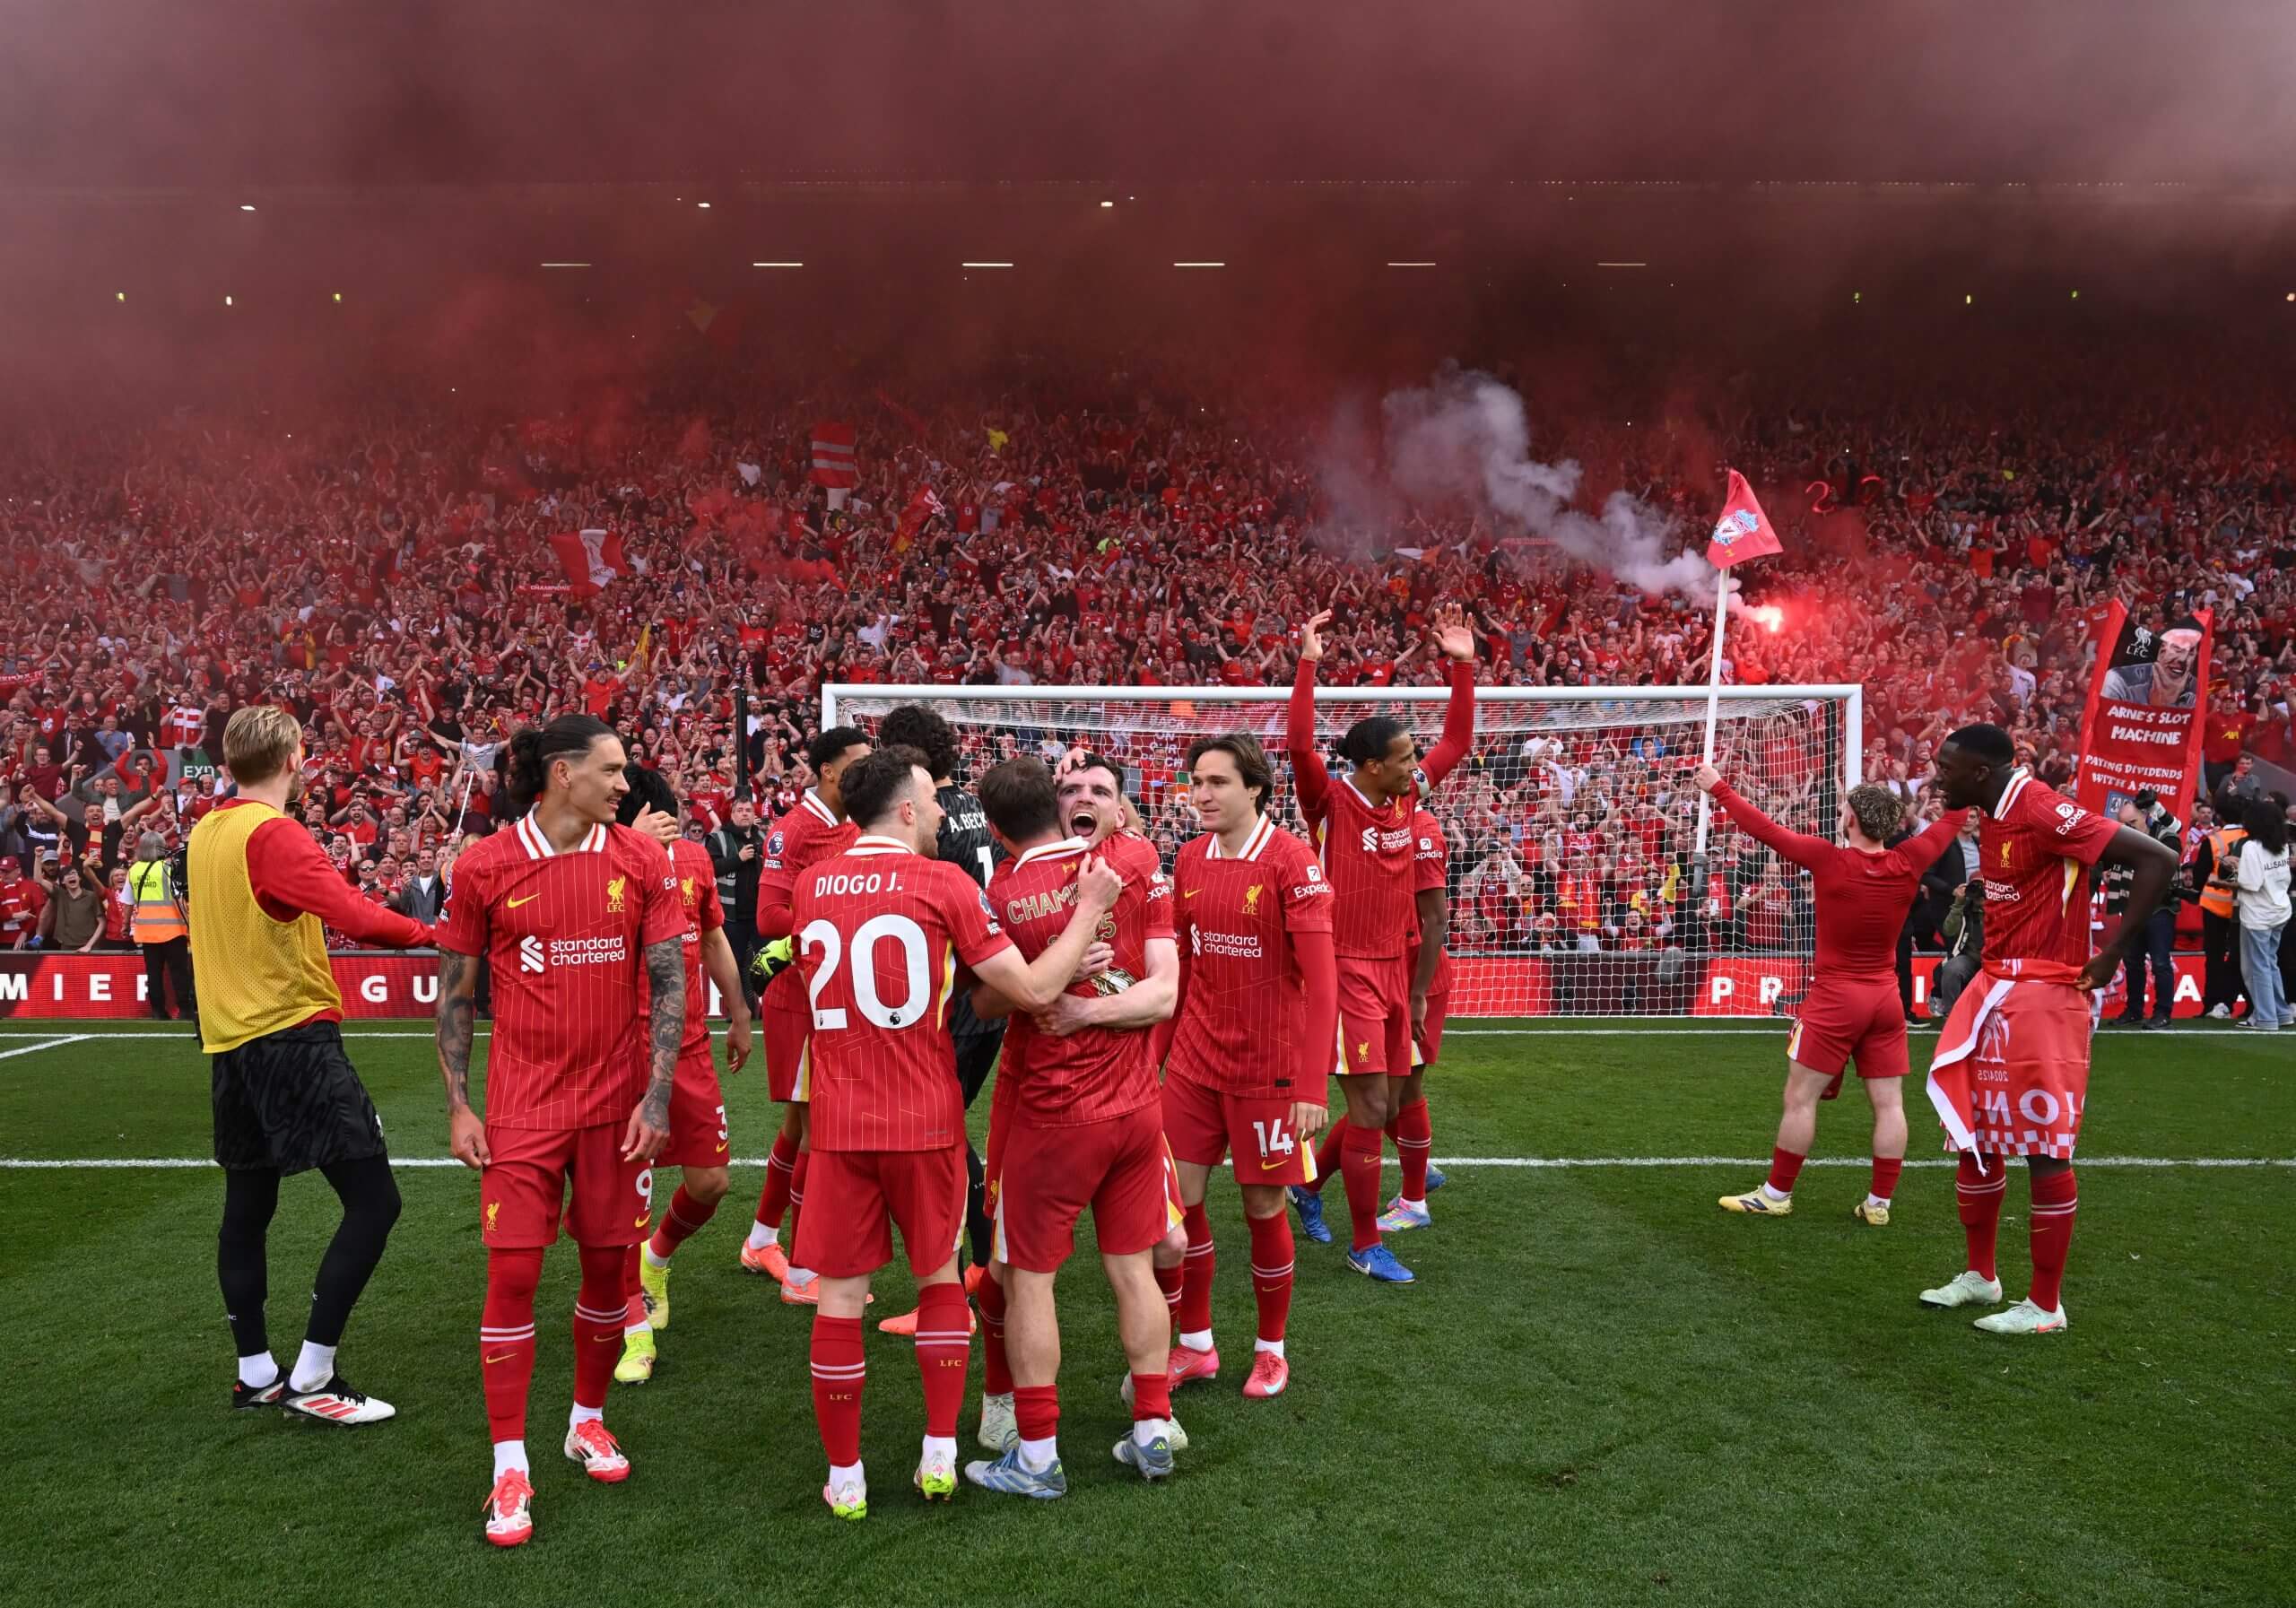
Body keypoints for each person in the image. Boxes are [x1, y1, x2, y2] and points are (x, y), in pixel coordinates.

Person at [788, 745, 1118, 1519]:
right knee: (940, 1280)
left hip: (838, 1120)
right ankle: (939, 1451)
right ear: (906, 808)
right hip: (925, 1118)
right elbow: (1030, 988)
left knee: (840, 1299)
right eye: (933, 800)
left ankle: (845, 1475)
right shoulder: (944, 883)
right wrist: (1088, 912)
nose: (943, 812)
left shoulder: (810, 884)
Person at [433, 713, 687, 1548]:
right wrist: (459, 1103)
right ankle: (510, 1462)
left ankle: (586, 1420)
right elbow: (456, 995)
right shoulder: (484, 866)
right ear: (561, 773)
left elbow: (669, 983)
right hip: (522, 1109)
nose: (626, 783)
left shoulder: (643, 859)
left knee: (610, 1273)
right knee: (512, 1276)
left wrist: (657, 1099)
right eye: (611, 769)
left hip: (617, 1110)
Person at [189, 706, 434, 1428]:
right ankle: (313, 1375)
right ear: (295, 759)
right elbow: (354, 915)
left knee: (247, 1209)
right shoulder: (273, 833)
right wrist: (435, 930)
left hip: (230, 1046)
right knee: (375, 1201)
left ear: (230, 762)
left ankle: (256, 1374)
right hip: (290, 1037)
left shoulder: (205, 831)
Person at [963, 753, 1182, 1496]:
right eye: (1071, 788)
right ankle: (1152, 1425)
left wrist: (1058, 992)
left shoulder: (1002, 891)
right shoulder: (1134, 863)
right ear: (1054, 806)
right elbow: (1159, 990)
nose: (1084, 797)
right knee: (1134, 1266)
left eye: (1099, 789)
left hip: (1054, 1112)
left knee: (1028, 1279)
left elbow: (984, 1000)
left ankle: (1035, 1453)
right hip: (1136, 1107)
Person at [1918, 723, 2177, 1336]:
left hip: (2045, 993)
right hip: (1994, 987)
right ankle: (1981, 1275)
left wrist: (2113, 952)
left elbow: (2159, 858)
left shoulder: (2039, 807)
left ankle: (2045, 1304)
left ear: (1981, 771)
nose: (1938, 776)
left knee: (2043, 1146)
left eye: (1947, 767)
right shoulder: (1992, 811)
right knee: (1975, 1136)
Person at [1285, 603, 1477, 1284]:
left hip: (1396, 970)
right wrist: (1307, 664)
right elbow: (1300, 747)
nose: (1415, 766)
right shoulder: (1331, 803)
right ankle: (1366, 1242)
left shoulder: (1405, 799)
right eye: (1403, 758)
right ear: (1370, 765)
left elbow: (1456, 741)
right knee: (1370, 1108)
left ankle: (1309, 1187)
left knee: (1388, 1104)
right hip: (1345, 971)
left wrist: (1463, 667)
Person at [1694, 762, 1967, 1223]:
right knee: (1890, 1104)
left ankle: (1777, 1194)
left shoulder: (1829, 859)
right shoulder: (1909, 859)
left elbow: (1765, 829)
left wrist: (1718, 787)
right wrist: (1964, 786)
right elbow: (1952, 819)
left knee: (1800, 1099)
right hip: (1886, 998)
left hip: (1837, 998)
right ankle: (1879, 1204)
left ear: (1852, 819)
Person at [1158, 734, 1339, 1401]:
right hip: (1195, 1063)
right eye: (1196, 782)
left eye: (1217, 782)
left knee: (1263, 1206)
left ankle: (1271, 1350)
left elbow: (1323, 984)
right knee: (1179, 1206)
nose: (1201, 794)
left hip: (1270, 1070)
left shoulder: (1292, 861)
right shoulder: (1189, 857)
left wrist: (1312, 1085)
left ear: (1255, 787)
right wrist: (1155, 1058)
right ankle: (1196, 1343)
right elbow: (1184, 967)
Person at [613, 767, 755, 1385]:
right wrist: (631, 852)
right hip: (624, 1050)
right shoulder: (601, 864)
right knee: (625, 1199)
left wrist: (740, 1011)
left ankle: (657, 1259)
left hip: (690, 1045)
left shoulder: (695, 860)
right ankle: (634, 1328)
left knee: (711, 1181)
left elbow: (714, 938)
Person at [872, 703, 1004, 1340]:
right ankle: (983, 1261)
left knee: (938, 1145)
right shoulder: (973, 806)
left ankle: (949, 1293)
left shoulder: (925, 819)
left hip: (950, 1002)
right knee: (951, 1137)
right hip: (985, 1001)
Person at [738, 726, 872, 1300]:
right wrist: (838, 918)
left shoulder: (855, 825)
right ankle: (802, 1273)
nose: (867, 771)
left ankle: (760, 1240)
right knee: (819, 1133)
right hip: (800, 998)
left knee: (800, 1128)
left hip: (837, 995)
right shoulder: (792, 830)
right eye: (857, 763)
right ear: (827, 770)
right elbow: (768, 917)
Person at [1373, 804, 1453, 1233]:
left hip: (1417, 981)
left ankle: (1415, 1201)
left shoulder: (1422, 830)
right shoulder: (1383, 823)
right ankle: (1419, 1171)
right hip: (1386, 975)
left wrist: (1418, 992)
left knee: (1395, 1093)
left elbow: (1436, 918)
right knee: (1378, 1093)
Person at [2103, 793, 2181, 1030]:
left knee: (2160, 962)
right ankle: (2134, 1010)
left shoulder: (2165, 836)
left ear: (2147, 816)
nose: (2128, 828)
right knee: (2132, 961)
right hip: (2132, 907)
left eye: (2132, 822)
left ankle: (2163, 1012)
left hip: (2159, 907)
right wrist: (2109, 873)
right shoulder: (2123, 841)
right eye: (2124, 824)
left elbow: (2174, 843)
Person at [2232, 797, 2292, 1030]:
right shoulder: (2282, 844)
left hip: (2258, 915)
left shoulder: (2251, 847)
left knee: (2258, 967)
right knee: (2270, 963)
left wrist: (2233, 871)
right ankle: (2281, 1013)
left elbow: (2251, 883)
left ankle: (2266, 1018)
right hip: (2279, 909)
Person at [128, 830, 196, 1027]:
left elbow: (128, 902)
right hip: (172, 930)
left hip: (147, 932)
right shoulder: (168, 868)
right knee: (179, 972)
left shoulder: (134, 870)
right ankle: (184, 1010)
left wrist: (125, 925)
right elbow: (180, 897)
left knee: (154, 973)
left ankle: (158, 1011)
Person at [2189, 800, 2250, 1020]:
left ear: (2220, 817)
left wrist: (2195, 893)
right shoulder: (2251, 838)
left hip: (2214, 904)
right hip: (2242, 904)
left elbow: (2200, 875)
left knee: (2214, 956)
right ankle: (2247, 1003)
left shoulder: (2213, 839)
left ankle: (2213, 1003)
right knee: (2242, 955)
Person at [706, 796, 764, 978]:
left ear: (754, 815)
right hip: (731, 918)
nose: (744, 814)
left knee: (766, 965)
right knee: (733, 967)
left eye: (748, 810)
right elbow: (710, 869)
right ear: (732, 815)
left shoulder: (763, 837)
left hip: (760, 915)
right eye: (740, 810)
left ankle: (763, 998)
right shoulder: (719, 838)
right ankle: (737, 998)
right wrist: (739, 858)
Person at [390, 844, 448, 925]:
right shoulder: (410, 882)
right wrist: (406, 889)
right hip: (417, 929)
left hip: (437, 928)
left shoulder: (442, 880)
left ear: (435, 860)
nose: (426, 860)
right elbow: (403, 907)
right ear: (419, 861)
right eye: (423, 858)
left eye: (429, 857)